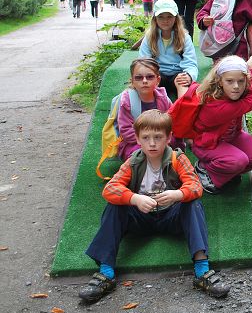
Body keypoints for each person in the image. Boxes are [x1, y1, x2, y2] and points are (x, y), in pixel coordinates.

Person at [79, 110, 230, 303]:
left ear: (168, 137)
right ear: (137, 139)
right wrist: (134, 199)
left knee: (193, 203)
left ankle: (202, 270)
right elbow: (110, 189)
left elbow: (195, 186)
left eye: (158, 137)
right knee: (114, 206)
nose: (152, 143)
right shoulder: (133, 161)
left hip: (171, 217)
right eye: (146, 138)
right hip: (142, 217)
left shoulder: (177, 158)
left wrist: (177, 194)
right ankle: (105, 273)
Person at [191, 53, 252, 194]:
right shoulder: (215, 105)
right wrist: (249, 66)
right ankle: (204, 169)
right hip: (207, 144)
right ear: (220, 81)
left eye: (241, 81)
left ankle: (228, 170)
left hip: (232, 138)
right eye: (230, 81)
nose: (236, 86)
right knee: (238, 161)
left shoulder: (238, 96)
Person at [115, 58, 181, 161]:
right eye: (139, 78)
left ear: (158, 80)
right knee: (140, 155)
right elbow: (126, 131)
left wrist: (161, 141)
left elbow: (173, 123)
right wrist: (148, 142)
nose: (144, 81)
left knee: (175, 149)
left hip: (160, 139)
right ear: (132, 81)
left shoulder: (163, 99)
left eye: (150, 77)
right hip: (136, 142)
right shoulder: (127, 101)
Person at [139, 0, 198, 99]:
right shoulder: (149, 37)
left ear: (176, 18)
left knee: (182, 82)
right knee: (147, 84)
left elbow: (190, 62)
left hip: (177, 73)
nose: (165, 21)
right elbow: (144, 62)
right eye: (161, 17)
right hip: (157, 73)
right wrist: (149, 75)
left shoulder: (184, 37)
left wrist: (189, 75)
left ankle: (183, 107)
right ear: (155, 19)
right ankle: (149, 107)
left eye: (169, 17)